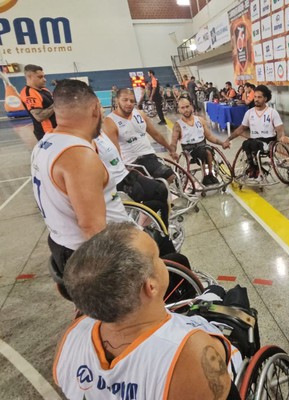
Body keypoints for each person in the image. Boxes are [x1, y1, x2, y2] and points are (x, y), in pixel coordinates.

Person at [54, 223, 242, 400]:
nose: (162, 261)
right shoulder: (190, 351)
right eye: (157, 257)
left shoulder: (73, 335)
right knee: (233, 297)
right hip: (214, 352)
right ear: (150, 286)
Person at [30, 79, 130, 272]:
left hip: (61, 244)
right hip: (88, 252)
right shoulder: (79, 156)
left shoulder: (44, 144)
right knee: (172, 258)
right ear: (95, 108)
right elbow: (92, 228)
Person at [95, 130, 170, 226]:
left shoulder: (100, 133)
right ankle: (142, 226)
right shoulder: (85, 143)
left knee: (161, 190)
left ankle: (159, 228)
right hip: (115, 183)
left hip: (125, 174)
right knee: (150, 199)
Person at [104, 88, 177, 183]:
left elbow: (155, 134)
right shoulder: (110, 121)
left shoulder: (140, 113)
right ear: (117, 100)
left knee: (170, 177)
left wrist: (170, 148)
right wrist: (122, 170)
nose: (129, 103)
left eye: (132, 101)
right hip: (132, 163)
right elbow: (114, 150)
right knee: (163, 182)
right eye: (125, 100)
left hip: (149, 157)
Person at [224, 85, 284, 178]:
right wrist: (229, 139)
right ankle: (253, 167)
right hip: (254, 140)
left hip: (269, 141)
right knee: (246, 143)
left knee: (253, 145)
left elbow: (280, 129)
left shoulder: (272, 112)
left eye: (259, 97)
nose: (256, 99)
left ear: (265, 98)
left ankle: (256, 168)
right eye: (255, 97)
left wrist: (281, 140)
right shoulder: (249, 112)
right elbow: (241, 128)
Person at [171, 97, 230, 185]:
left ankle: (210, 174)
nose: (186, 110)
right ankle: (205, 176)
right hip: (189, 152)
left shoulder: (200, 120)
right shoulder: (178, 125)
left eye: (187, 106)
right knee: (204, 151)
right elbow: (173, 142)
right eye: (182, 108)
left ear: (191, 107)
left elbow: (209, 136)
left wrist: (222, 143)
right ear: (179, 110)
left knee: (207, 150)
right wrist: (172, 151)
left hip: (203, 147)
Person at [19, 64, 57, 141]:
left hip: (57, 130)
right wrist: (58, 102)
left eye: (44, 76)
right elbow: (39, 116)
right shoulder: (29, 93)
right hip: (46, 134)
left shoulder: (44, 90)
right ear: (29, 77)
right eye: (40, 77)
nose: (44, 79)